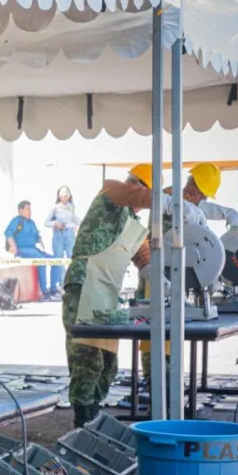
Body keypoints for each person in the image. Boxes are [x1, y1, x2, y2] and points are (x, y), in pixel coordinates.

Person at [138, 162, 238, 400]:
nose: (200, 199)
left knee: (171, 335)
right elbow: (193, 230)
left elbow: (202, 210)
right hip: (158, 275)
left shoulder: (186, 201)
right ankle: (157, 392)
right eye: (199, 193)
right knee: (155, 336)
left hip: (174, 277)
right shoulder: (170, 197)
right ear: (192, 186)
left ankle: (167, 394)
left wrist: (228, 214)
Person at [63, 165, 157, 428]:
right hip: (84, 284)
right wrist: (167, 199)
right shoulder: (109, 196)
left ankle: (93, 416)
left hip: (106, 294)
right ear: (138, 186)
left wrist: (164, 283)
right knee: (86, 359)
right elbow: (126, 192)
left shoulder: (135, 227)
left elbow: (145, 261)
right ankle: (83, 420)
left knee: (107, 363)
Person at [5, 200, 55, 301]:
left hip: (34, 249)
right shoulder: (17, 221)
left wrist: (41, 243)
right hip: (22, 250)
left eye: (30, 209)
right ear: (20, 210)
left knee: (55, 260)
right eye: (27, 209)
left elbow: (37, 236)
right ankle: (44, 292)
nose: (30, 211)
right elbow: (8, 234)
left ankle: (54, 289)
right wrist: (13, 246)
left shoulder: (32, 223)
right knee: (41, 260)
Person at [45, 186, 80, 295]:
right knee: (58, 260)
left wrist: (75, 225)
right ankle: (58, 285)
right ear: (59, 196)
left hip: (69, 234)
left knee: (71, 259)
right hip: (58, 235)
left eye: (67, 195)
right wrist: (55, 224)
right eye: (62, 195)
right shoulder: (55, 208)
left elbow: (76, 220)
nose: (65, 197)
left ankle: (71, 284)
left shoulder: (72, 207)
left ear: (69, 196)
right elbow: (46, 222)